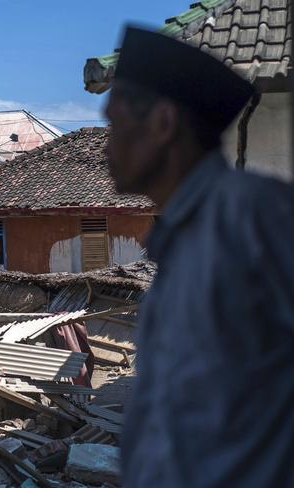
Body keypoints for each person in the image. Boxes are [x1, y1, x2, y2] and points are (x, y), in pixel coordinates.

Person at [105, 26, 294, 486]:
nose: (105, 146)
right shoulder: (179, 245)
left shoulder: (255, 216)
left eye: (115, 125)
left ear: (163, 124)